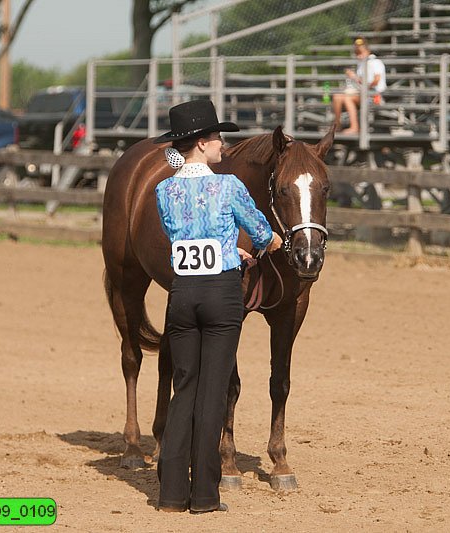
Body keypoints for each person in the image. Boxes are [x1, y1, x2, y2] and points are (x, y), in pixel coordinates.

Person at [153, 99, 282, 514]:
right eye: (218, 139)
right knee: (212, 391)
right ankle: (206, 495)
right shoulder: (228, 186)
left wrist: (229, 249)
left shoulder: (163, 189)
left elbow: (185, 234)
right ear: (203, 142)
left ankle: (172, 493)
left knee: (184, 387)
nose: (224, 146)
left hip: (182, 294)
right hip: (221, 295)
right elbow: (262, 234)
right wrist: (267, 245)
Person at [331, 37, 386, 135]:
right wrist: (355, 78)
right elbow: (362, 83)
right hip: (363, 94)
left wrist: (355, 78)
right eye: (357, 52)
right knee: (337, 97)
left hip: (375, 96)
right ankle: (337, 126)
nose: (358, 55)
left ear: (367, 51)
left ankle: (354, 127)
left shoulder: (375, 62)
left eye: (360, 52)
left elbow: (376, 81)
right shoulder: (361, 64)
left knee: (348, 98)